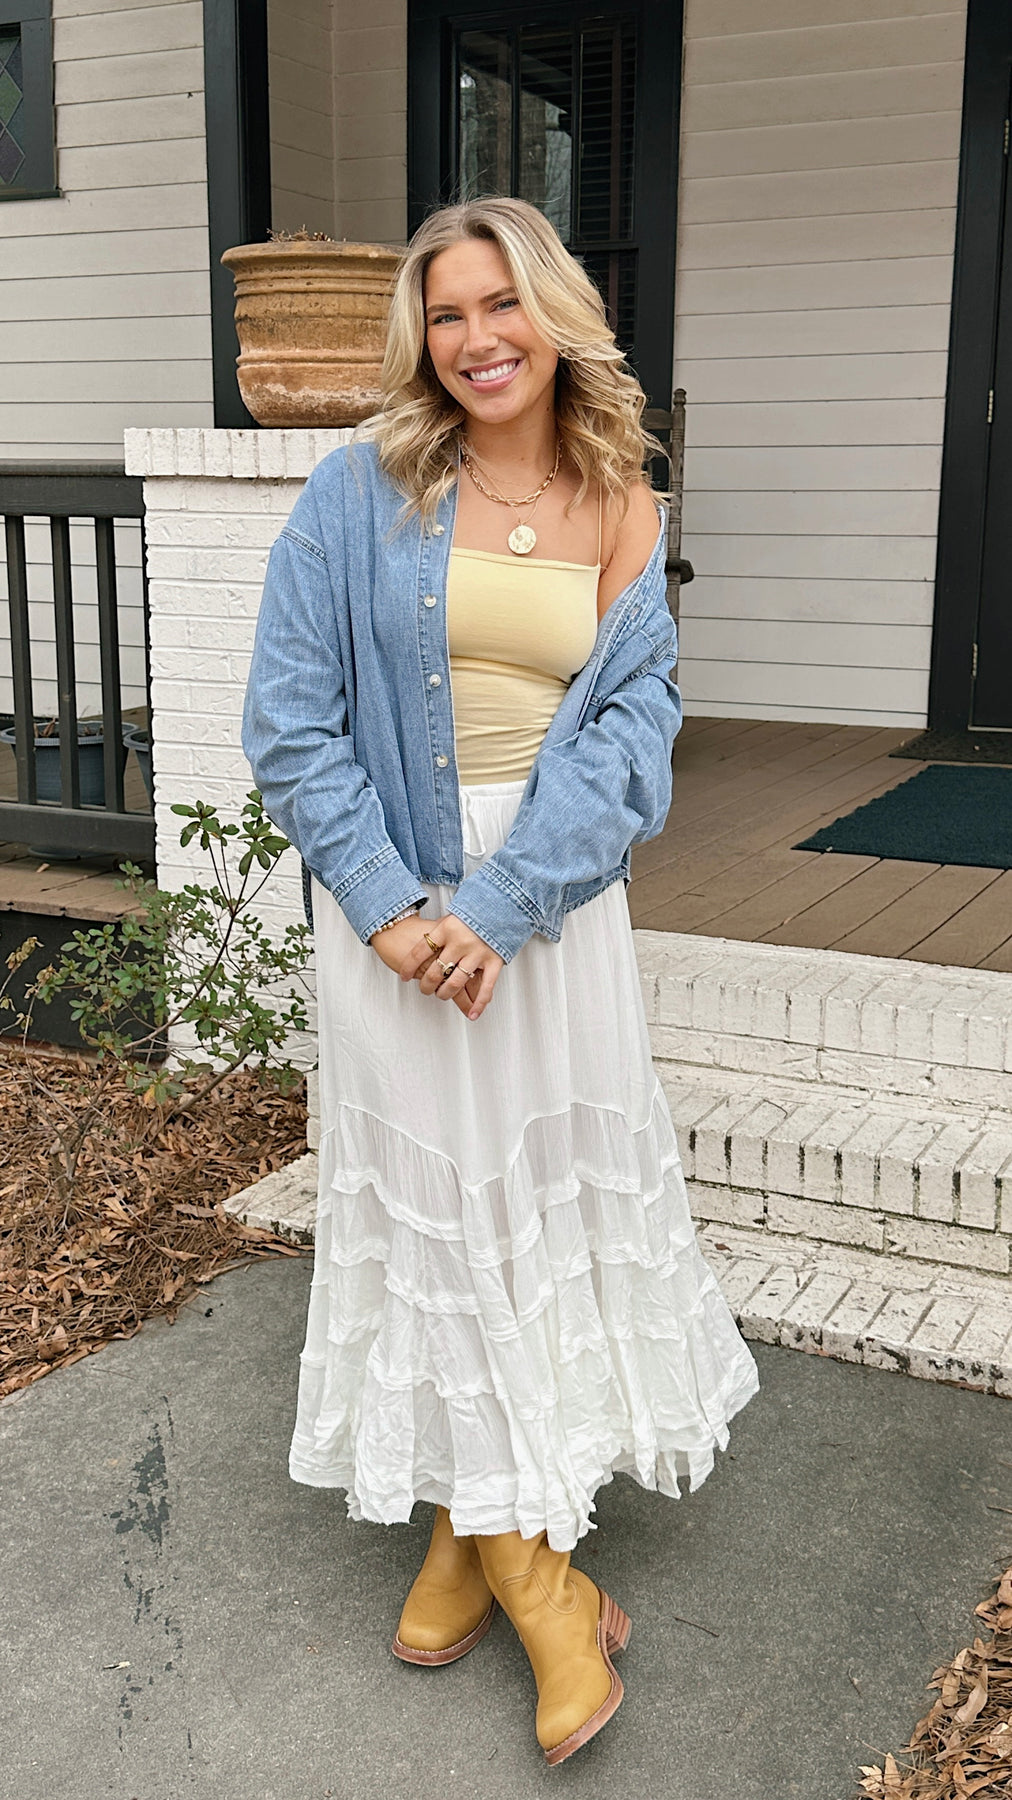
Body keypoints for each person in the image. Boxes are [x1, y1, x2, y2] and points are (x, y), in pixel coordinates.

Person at [241, 196, 759, 1766]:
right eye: (448, 313)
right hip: (396, 914)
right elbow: (290, 722)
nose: (477, 339)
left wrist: (509, 902)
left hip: (549, 916)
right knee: (439, 1211)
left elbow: (633, 738)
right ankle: (547, 1584)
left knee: (523, 1208)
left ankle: (467, 1540)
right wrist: (395, 909)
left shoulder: (622, 501)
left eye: (501, 303)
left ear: (555, 313)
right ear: (424, 339)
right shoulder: (358, 493)